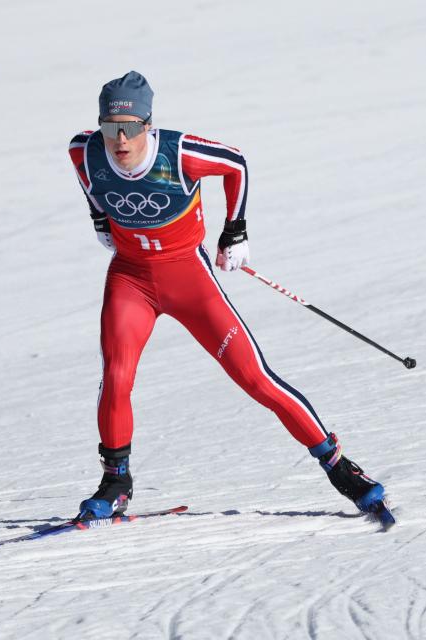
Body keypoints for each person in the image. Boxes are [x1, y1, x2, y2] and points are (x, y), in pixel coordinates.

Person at [69, 71, 385, 520]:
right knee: (116, 377)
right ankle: (115, 483)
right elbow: (84, 173)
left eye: (132, 127)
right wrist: (100, 219)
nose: (120, 139)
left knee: (255, 378)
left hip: (188, 280)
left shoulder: (179, 153)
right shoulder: (85, 149)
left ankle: (343, 471)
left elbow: (235, 163)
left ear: (148, 124)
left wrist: (234, 231)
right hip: (131, 279)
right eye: (110, 127)